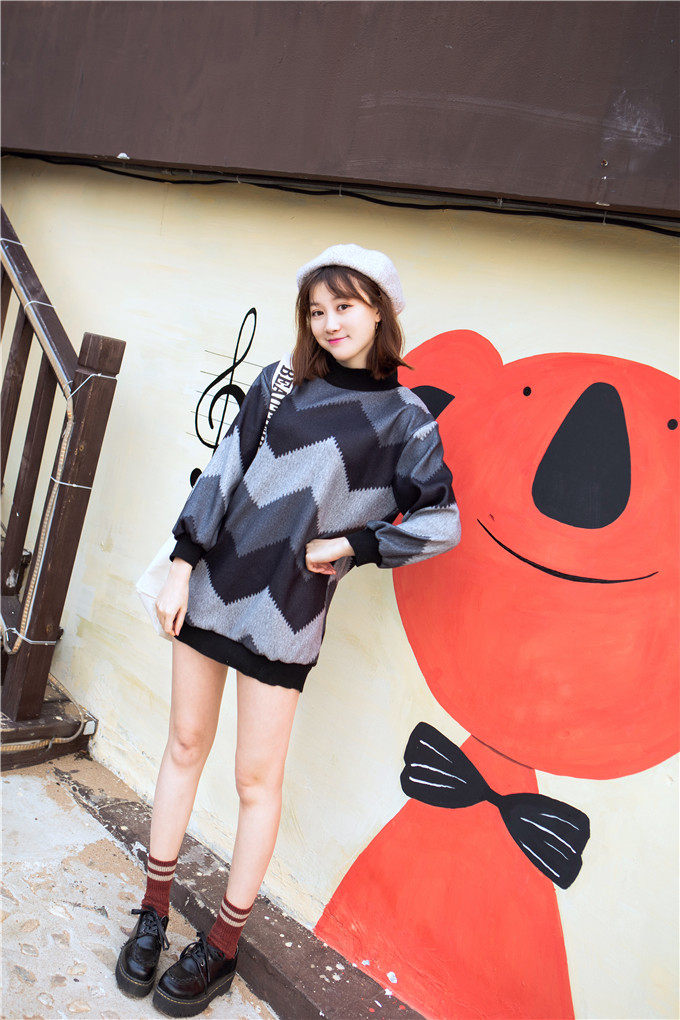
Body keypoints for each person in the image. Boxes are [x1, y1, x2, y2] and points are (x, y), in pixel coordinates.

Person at [115, 242, 462, 1017]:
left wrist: (355, 544)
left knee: (254, 782)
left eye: (345, 305)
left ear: (380, 309)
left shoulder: (405, 421)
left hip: (289, 612)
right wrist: (181, 566)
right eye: (316, 309)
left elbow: (442, 522)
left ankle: (222, 946)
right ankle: (153, 911)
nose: (330, 322)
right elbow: (222, 472)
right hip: (212, 589)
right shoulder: (280, 382)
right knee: (183, 746)